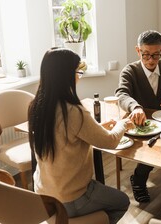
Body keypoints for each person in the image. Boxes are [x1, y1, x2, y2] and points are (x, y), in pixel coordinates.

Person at [28, 48, 135, 224]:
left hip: (44, 194)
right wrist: (122, 124)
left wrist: (98, 127)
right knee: (122, 201)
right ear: (65, 75)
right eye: (77, 72)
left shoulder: (37, 106)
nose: (79, 76)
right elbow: (110, 142)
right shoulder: (73, 111)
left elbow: (65, 135)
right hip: (71, 197)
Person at [115, 30, 161, 203]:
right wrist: (135, 107)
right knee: (152, 147)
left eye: (156, 55)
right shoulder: (130, 71)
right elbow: (121, 94)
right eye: (146, 55)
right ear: (138, 51)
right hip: (142, 122)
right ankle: (138, 178)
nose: (151, 60)